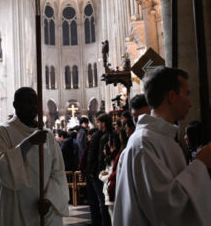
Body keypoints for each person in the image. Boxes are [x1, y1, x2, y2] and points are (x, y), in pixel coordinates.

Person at [113, 66, 211, 226]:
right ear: (171, 96)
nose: (190, 103)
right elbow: (164, 208)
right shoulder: (144, 143)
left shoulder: (160, 139)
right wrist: (200, 164)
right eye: (186, 94)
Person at [0, 87, 69, 226]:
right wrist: (28, 143)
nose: (34, 107)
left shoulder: (47, 135)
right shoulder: (2, 131)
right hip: (15, 206)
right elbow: (0, 165)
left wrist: (50, 198)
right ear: (16, 105)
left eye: (36, 103)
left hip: (44, 208)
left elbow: (58, 172)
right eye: (29, 103)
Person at [87, 113, 112, 226]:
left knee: (102, 202)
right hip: (109, 170)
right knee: (107, 201)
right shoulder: (111, 133)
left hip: (99, 172)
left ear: (102, 123)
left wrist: (90, 171)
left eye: (97, 122)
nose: (96, 124)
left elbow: (91, 155)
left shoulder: (97, 135)